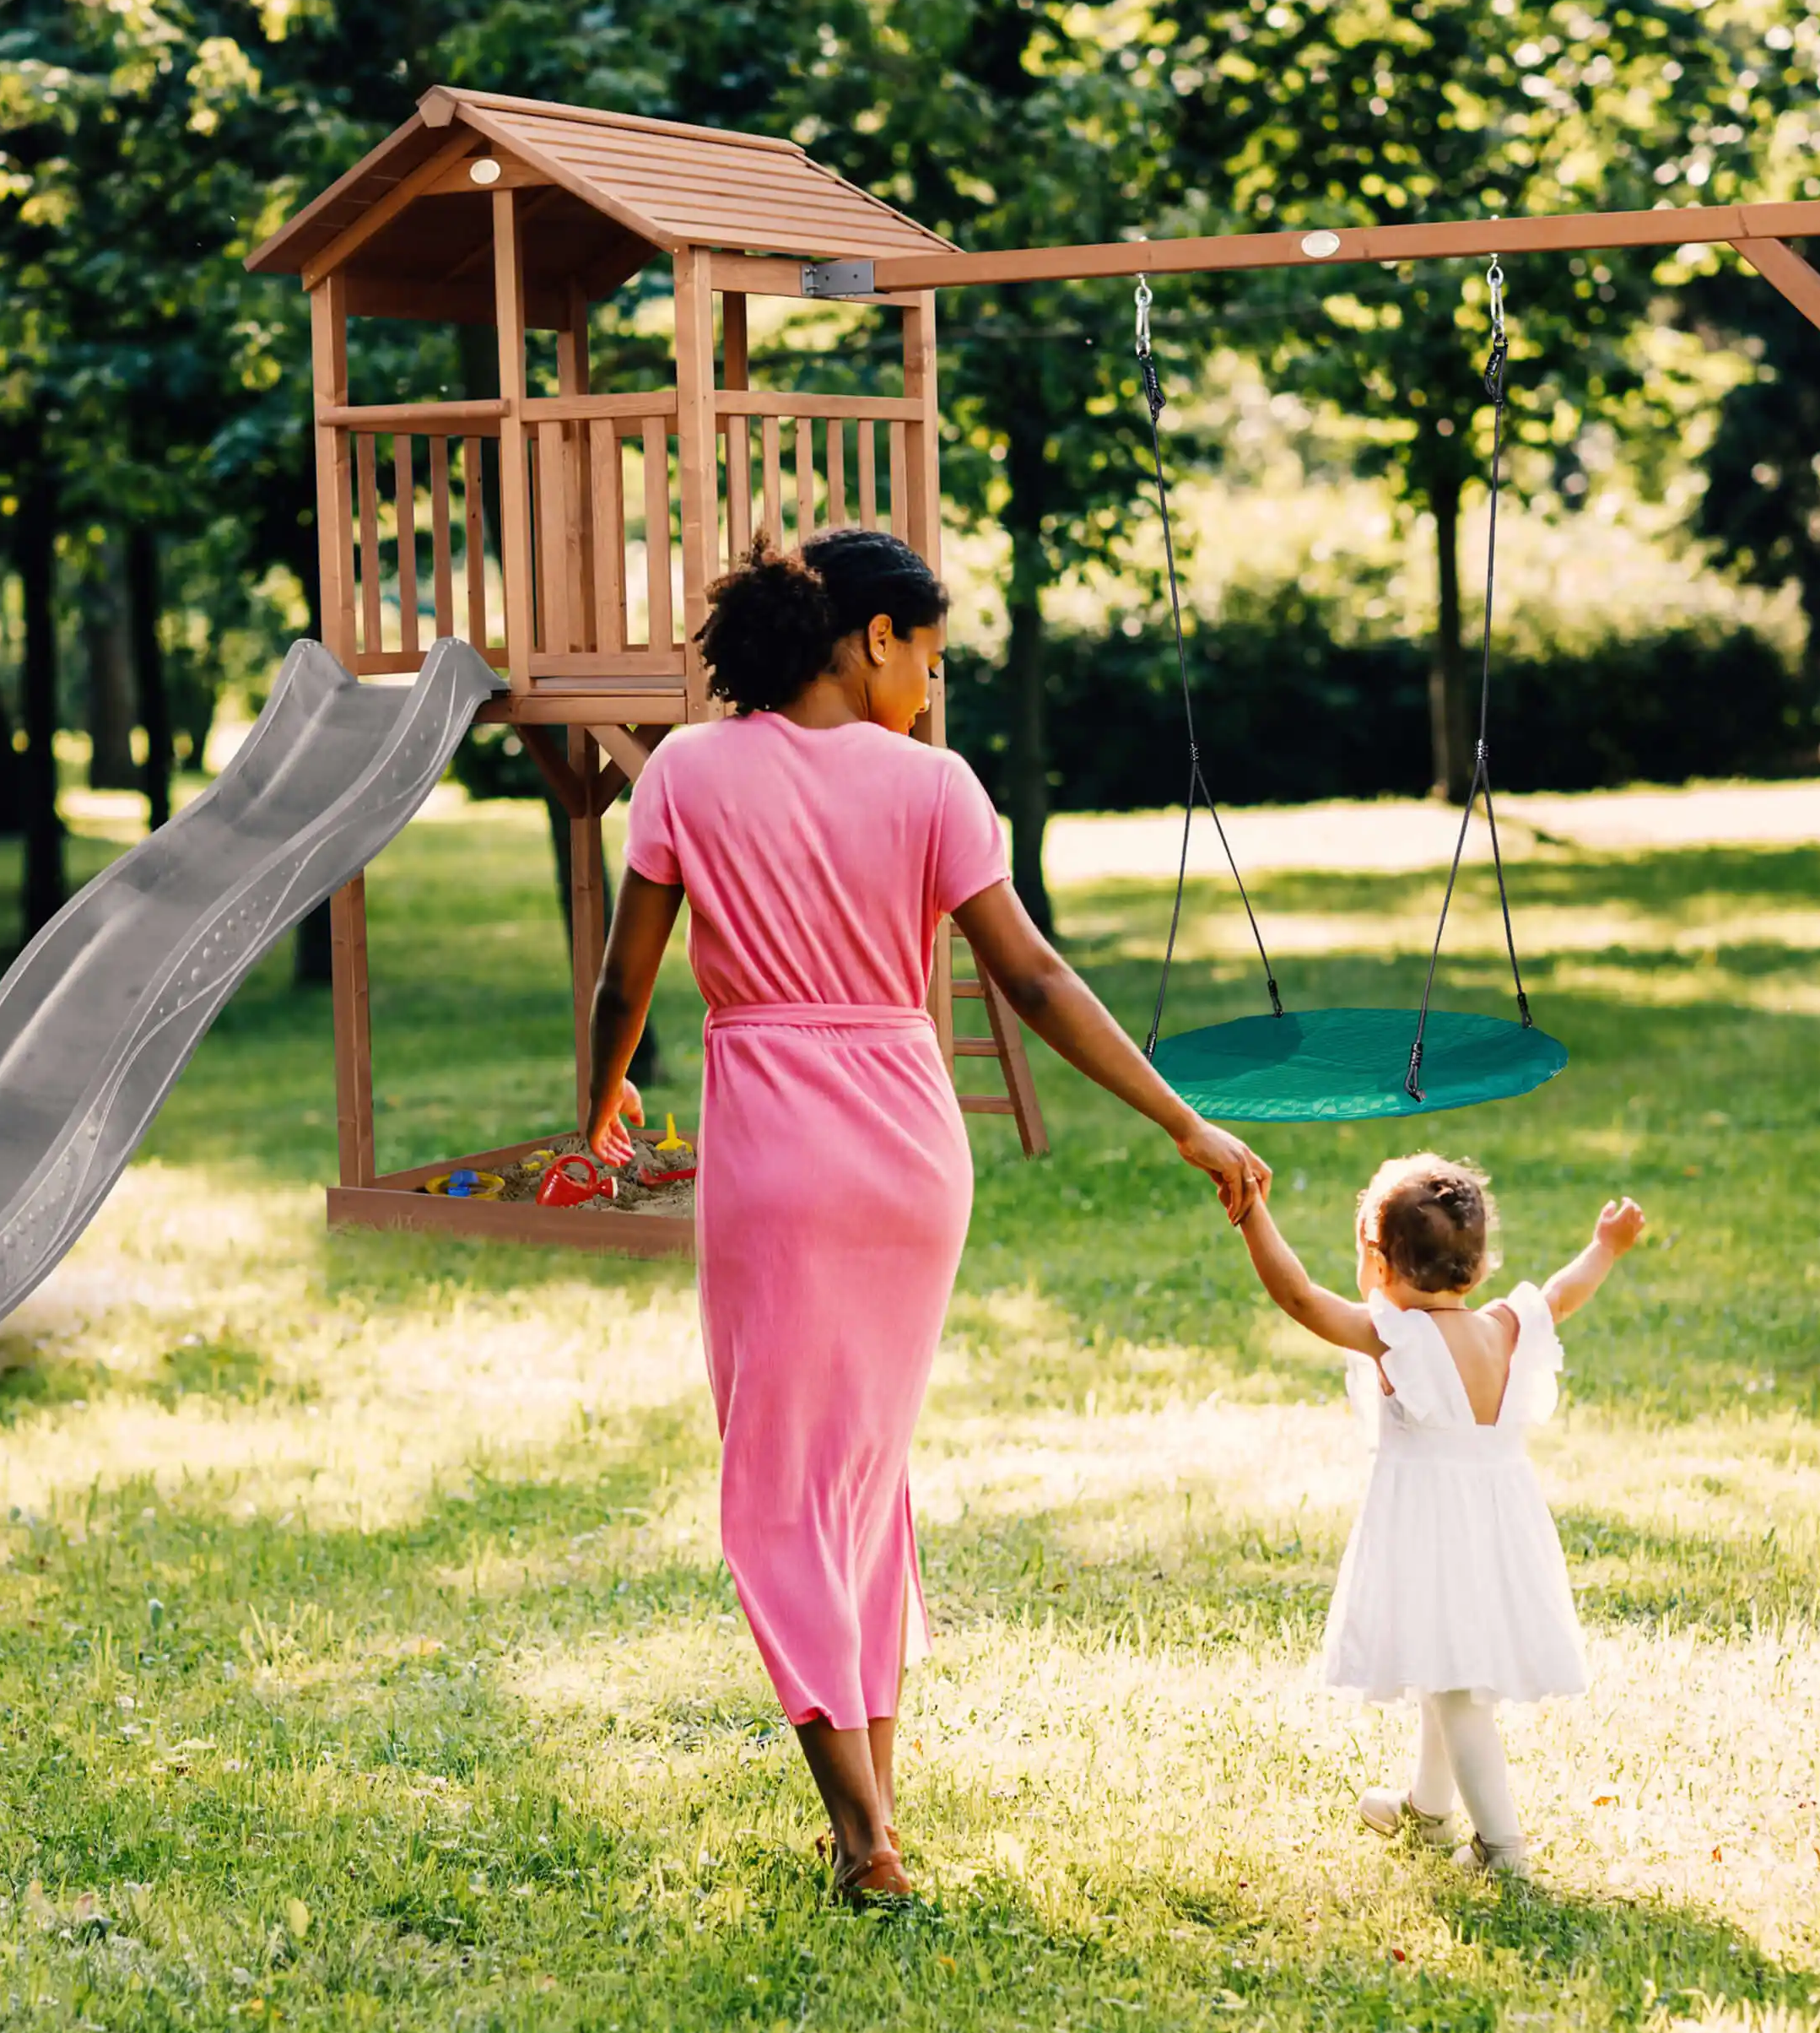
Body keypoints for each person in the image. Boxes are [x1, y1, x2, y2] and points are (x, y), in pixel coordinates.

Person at [582, 529, 1271, 1906]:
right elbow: (1032, 979)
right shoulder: (937, 789)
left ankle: (860, 1835)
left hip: (776, 1153)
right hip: (909, 1152)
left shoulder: (686, 773)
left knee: (782, 1490)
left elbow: (625, 982)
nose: (933, 692)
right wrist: (1181, 1116)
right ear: (871, 638)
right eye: (930, 659)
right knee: (861, 1480)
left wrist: (597, 1108)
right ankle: (874, 1813)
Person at [1231, 1154, 1647, 1877]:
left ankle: (1501, 1847)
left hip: (1432, 1531)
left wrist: (1251, 1213)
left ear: (1380, 1263)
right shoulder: (1508, 1326)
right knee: (1441, 1660)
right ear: (1479, 1266)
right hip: (1498, 1526)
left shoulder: (1397, 1339)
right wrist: (1604, 1247)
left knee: (1456, 1688)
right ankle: (1428, 1810)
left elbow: (1298, 1296)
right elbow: (1563, 1292)